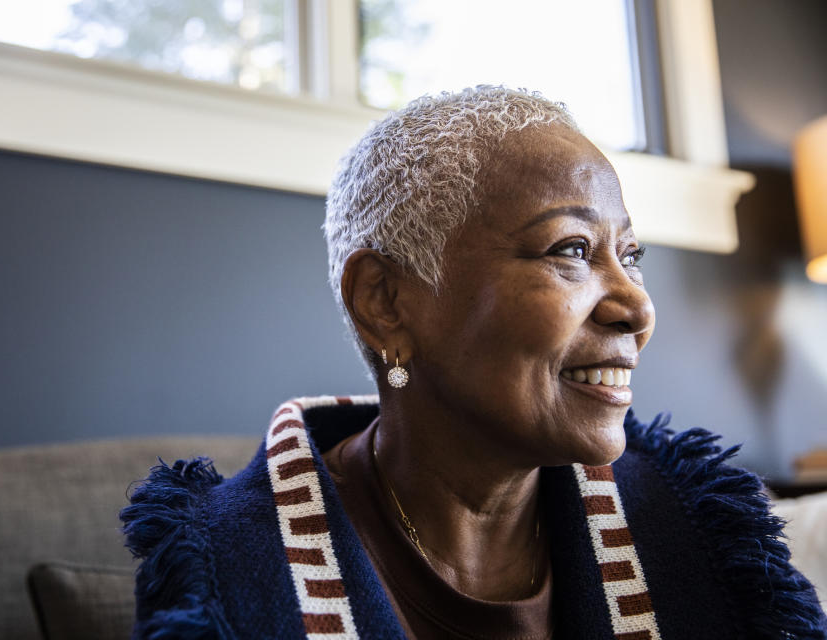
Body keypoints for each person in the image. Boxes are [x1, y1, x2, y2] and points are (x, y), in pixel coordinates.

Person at [121, 86, 827, 639]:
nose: (637, 309)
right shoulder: (228, 574)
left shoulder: (696, 533)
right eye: (572, 250)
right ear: (386, 301)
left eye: (631, 256)